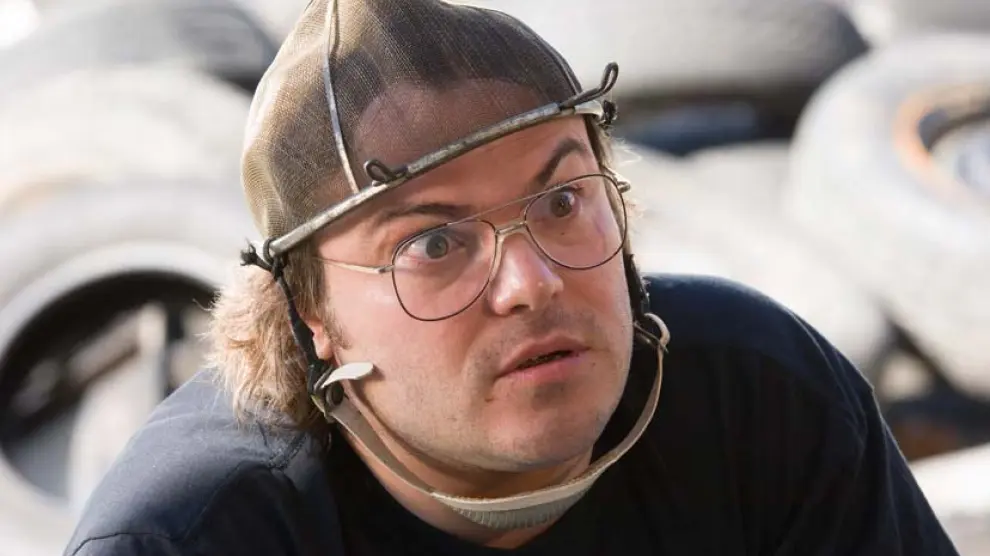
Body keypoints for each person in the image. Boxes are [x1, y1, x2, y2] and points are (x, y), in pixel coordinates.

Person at [64, 0, 959, 554]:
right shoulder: (190, 534)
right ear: (312, 315)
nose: (530, 282)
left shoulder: (761, 400)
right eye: (434, 244)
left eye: (563, 200)